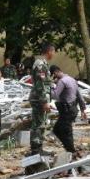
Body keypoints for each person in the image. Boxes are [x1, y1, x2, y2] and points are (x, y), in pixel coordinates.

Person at [27, 44, 54, 172]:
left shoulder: (42, 63)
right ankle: (35, 151)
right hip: (39, 100)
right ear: (49, 51)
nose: (54, 54)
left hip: (40, 99)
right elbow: (40, 85)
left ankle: (39, 148)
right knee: (38, 125)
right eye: (53, 51)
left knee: (41, 124)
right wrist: (44, 101)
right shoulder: (40, 64)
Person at [51, 64, 80, 160]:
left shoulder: (62, 81)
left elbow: (55, 95)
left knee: (59, 130)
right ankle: (70, 150)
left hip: (66, 110)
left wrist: (50, 86)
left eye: (53, 75)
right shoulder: (71, 79)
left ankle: (71, 151)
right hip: (73, 109)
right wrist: (83, 108)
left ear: (55, 73)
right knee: (66, 131)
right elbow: (79, 94)